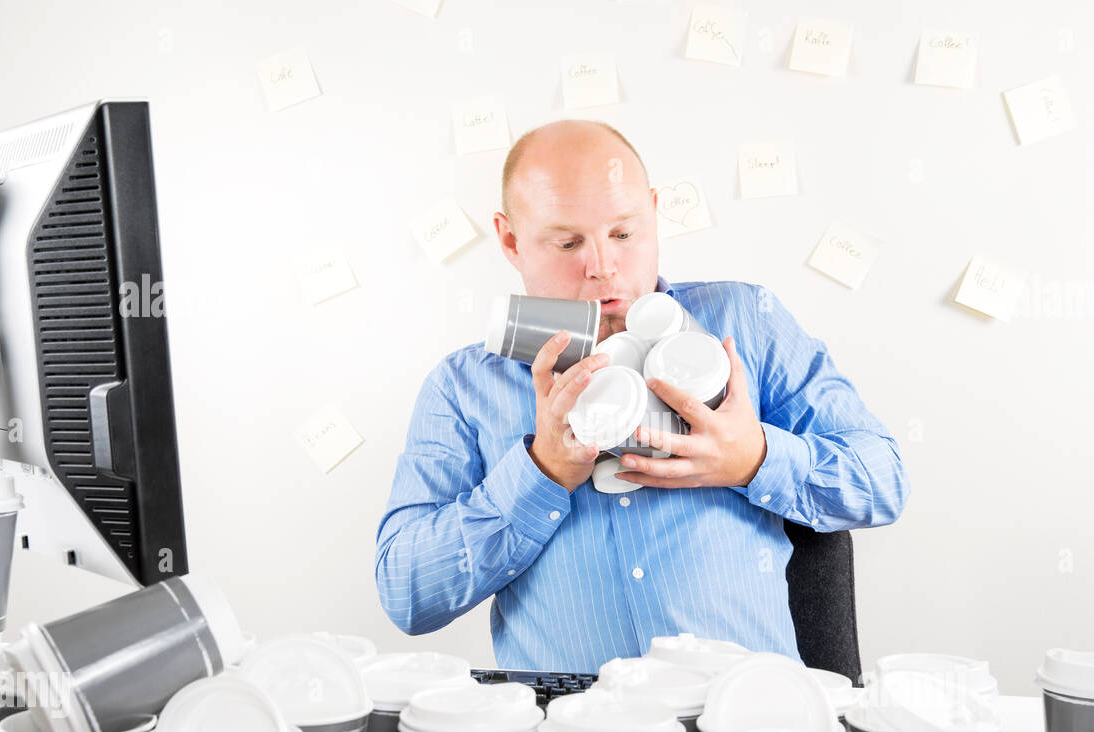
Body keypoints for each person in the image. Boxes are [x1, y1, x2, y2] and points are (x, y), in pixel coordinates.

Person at [376, 119, 909, 673]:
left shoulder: (745, 322)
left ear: (654, 213)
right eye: (567, 242)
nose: (602, 266)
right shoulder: (463, 387)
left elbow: (884, 481)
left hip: (744, 724)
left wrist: (754, 460)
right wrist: (541, 474)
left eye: (624, 234)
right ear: (510, 239)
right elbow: (406, 595)